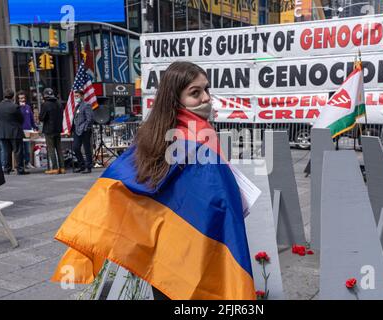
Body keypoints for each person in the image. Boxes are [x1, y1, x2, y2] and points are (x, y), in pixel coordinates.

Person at [51, 61, 255, 300]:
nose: (206, 98)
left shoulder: (160, 131)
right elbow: (127, 183)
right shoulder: (194, 136)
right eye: (195, 93)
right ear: (174, 98)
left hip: (175, 245)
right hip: (188, 243)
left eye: (207, 90)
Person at [0, 89, 29, 175]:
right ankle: (20, 169)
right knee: (18, 151)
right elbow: (21, 119)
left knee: (6, 151)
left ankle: (7, 169)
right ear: (13, 97)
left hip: (2, 132)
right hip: (15, 132)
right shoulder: (15, 107)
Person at [39, 88, 65, 174]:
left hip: (49, 130)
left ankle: (54, 168)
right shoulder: (59, 103)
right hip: (58, 129)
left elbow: (41, 118)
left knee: (51, 149)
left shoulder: (45, 104)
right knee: (59, 148)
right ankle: (62, 167)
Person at [72, 89, 94, 174]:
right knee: (76, 148)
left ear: (82, 96)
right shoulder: (77, 106)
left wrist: (85, 128)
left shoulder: (87, 105)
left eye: (77, 96)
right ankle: (82, 165)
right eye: (75, 96)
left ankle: (88, 167)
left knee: (87, 148)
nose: (76, 97)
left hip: (85, 130)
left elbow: (90, 119)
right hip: (77, 130)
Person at [17, 91, 38, 169]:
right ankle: (21, 163)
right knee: (20, 148)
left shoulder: (28, 107)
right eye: (20, 98)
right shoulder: (17, 108)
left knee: (27, 148)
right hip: (20, 130)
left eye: (23, 98)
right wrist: (20, 107)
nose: (22, 100)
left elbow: (31, 118)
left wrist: (35, 127)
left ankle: (27, 162)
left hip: (28, 130)